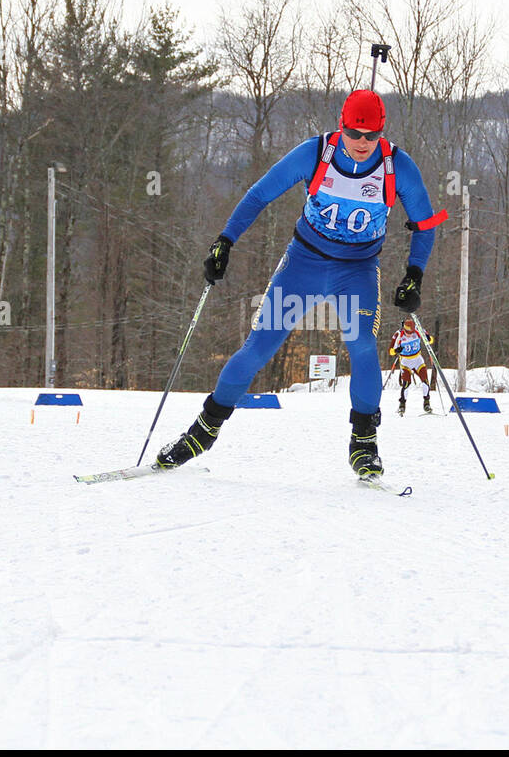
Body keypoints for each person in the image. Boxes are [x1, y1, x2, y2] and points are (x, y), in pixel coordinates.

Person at [155, 89, 445, 478]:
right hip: (303, 263)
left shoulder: (398, 167)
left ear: (382, 133)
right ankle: (202, 432)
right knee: (259, 346)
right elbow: (259, 195)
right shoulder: (315, 153)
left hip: (356, 269)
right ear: (340, 126)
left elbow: (425, 225)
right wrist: (224, 242)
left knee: (361, 347)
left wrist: (415, 274)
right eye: (353, 133)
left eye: (370, 136)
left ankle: (363, 442)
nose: (361, 143)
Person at [389, 317, 435, 415]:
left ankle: (426, 403)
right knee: (406, 384)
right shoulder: (398, 335)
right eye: (408, 332)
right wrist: (396, 351)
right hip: (405, 362)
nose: (410, 334)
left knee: (425, 381)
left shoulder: (418, 330)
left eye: (412, 332)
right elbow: (391, 351)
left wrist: (428, 338)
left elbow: (430, 340)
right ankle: (402, 405)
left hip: (418, 360)